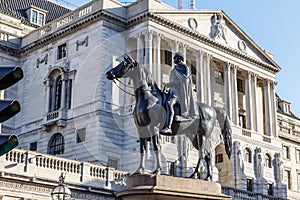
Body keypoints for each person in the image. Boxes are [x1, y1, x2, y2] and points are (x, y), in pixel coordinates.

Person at [160, 52, 198, 135]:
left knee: (169, 103)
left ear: (179, 59)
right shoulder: (175, 69)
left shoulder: (184, 67)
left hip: (179, 94)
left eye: (175, 58)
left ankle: (168, 127)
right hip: (172, 92)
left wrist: (170, 84)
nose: (173, 59)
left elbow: (183, 82)